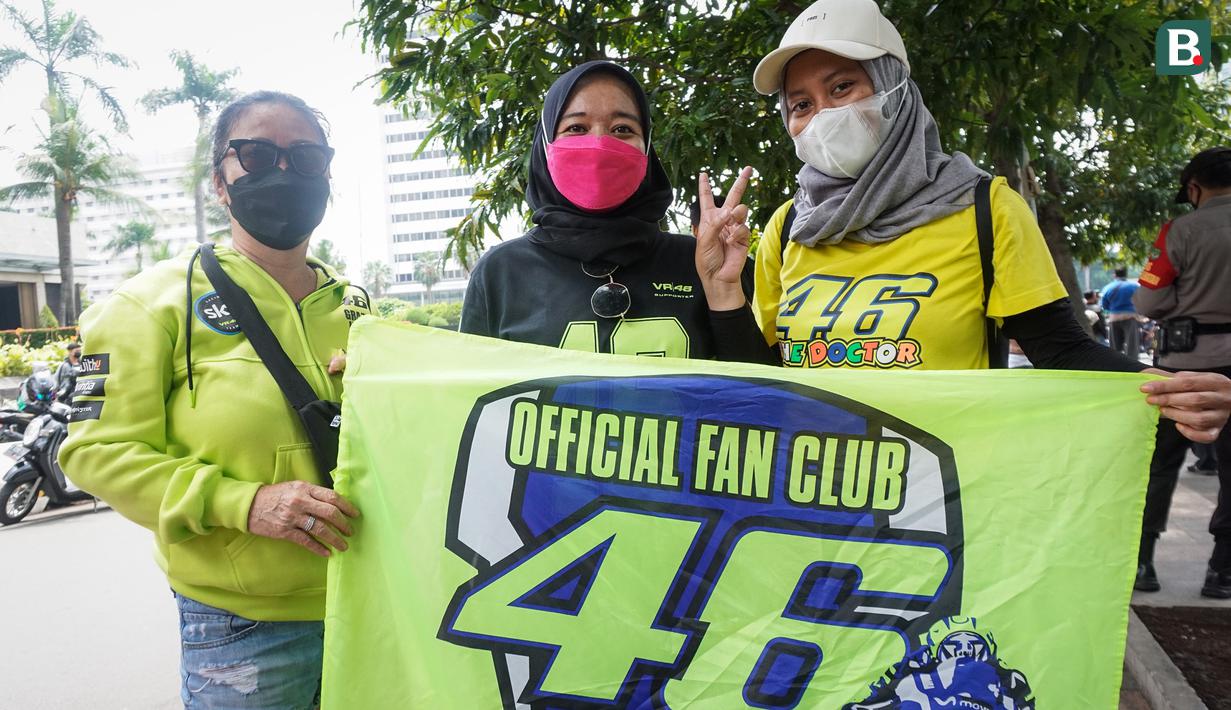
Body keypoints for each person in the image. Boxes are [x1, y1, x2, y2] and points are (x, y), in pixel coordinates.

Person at [740, 2, 1230, 441]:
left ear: (892, 88)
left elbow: (1060, 349)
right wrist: (722, 289)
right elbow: (755, 377)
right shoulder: (790, 226)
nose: (822, 116)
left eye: (842, 87)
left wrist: (1175, 389)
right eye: (801, 105)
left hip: (941, 493)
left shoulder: (983, 207)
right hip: (807, 492)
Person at [59, 91, 369, 707]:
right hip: (243, 629)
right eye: (258, 155)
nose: (284, 171)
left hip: (369, 604)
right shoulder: (148, 304)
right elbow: (93, 452)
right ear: (220, 183)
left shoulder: (357, 306)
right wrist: (243, 504)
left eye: (306, 157)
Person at [461, 61, 769, 364]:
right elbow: (471, 391)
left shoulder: (704, 262)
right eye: (576, 128)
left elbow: (760, 392)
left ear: (647, 148)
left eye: (622, 129)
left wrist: (723, 292)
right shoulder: (500, 272)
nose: (600, 143)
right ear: (545, 145)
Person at [1133, 146, 1231, 598]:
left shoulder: (1180, 231)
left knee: (1158, 465)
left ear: (1194, 188)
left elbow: (1149, 301)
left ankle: (1143, 562)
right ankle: (1222, 570)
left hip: (1183, 368)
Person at [1101, 268, 1142, 359]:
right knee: (1132, 346)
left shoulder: (1108, 287)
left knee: (1115, 347)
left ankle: (1116, 364)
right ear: (1126, 275)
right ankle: (1132, 365)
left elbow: (1104, 305)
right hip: (1130, 317)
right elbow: (1141, 300)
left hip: (1114, 318)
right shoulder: (1134, 286)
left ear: (1114, 275)